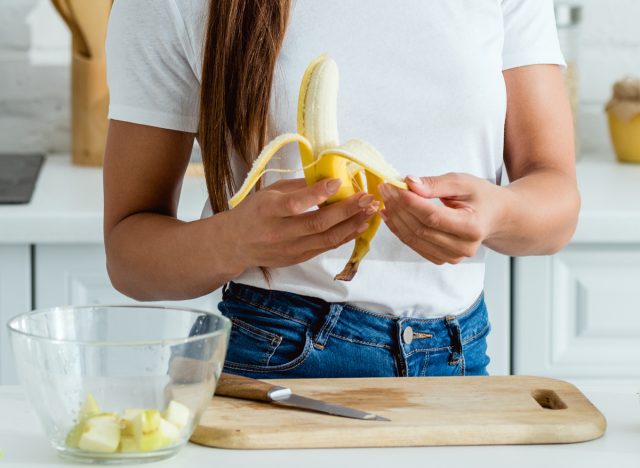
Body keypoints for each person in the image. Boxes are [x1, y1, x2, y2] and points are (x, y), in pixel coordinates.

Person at [104, 0, 579, 379]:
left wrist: (500, 214)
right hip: (276, 356)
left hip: (458, 356)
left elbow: (556, 200)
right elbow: (129, 255)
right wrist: (233, 240)